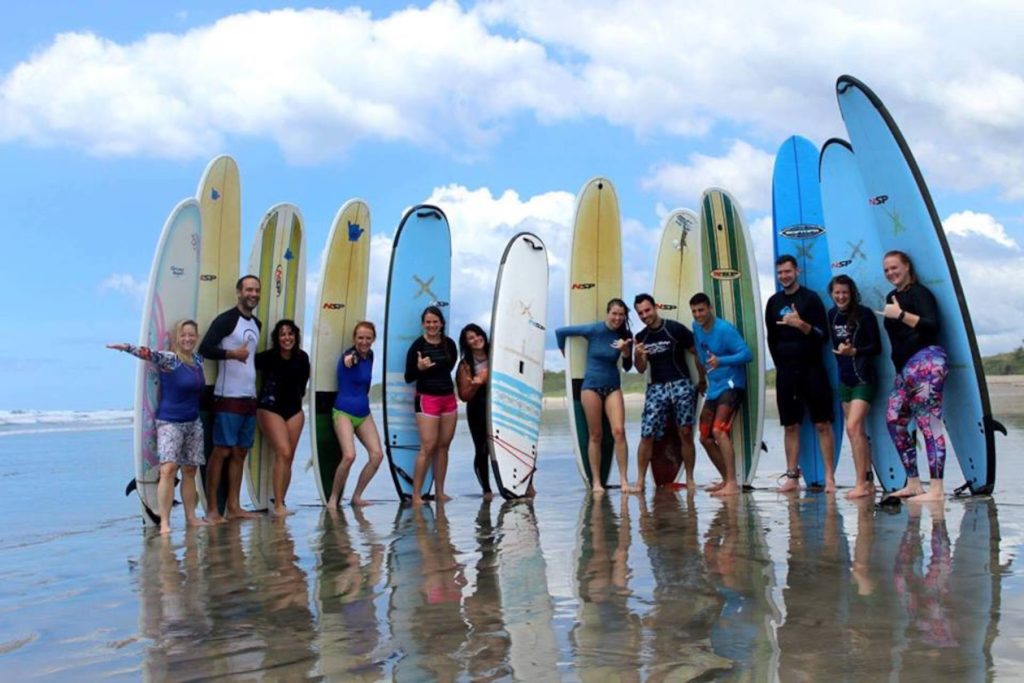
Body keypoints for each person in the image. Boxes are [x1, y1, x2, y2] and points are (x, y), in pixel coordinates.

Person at [109, 319, 208, 534]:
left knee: (190, 470)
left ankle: (191, 517)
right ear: (176, 338)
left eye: (191, 335)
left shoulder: (199, 361)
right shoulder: (170, 360)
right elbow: (147, 353)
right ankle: (165, 522)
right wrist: (126, 348)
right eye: (183, 335)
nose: (188, 339)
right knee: (168, 470)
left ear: (196, 337)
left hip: (193, 422)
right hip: (170, 422)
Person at [879, 250, 947, 502]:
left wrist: (902, 315)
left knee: (928, 423)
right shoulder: (891, 297)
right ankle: (914, 483)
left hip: (927, 360)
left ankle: (937, 489)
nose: (890, 273)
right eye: (886, 269)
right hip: (904, 368)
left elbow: (932, 325)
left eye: (894, 267)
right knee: (894, 419)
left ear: (907, 266)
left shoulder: (921, 292)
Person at [765, 255, 836, 493]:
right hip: (787, 372)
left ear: (797, 271)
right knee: (791, 426)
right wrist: (782, 366)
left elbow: (822, 336)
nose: (784, 276)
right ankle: (792, 477)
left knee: (822, 424)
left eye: (788, 271)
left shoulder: (811, 299)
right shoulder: (773, 302)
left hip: (812, 369)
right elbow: (771, 340)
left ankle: (829, 477)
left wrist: (800, 324)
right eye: (780, 273)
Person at [198, 275, 262, 523]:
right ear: (239, 292)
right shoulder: (226, 320)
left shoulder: (256, 323)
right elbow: (205, 349)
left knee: (240, 452)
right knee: (221, 451)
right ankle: (213, 509)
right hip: (227, 397)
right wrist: (231, 354)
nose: (253, 294)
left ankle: (234, 506)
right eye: (248, 289)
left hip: (249, 398)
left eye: (256, 290)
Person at [555, 298, 634, 493]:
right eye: (614, 313)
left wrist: (625, 352)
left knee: (619, 432)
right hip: (590, 387)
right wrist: (564, 352)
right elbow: (560, 332)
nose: (617, 318)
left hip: (612, 387)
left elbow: (627, 366)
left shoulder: (625, 334)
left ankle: (624, 481)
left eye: (621, 315)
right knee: (596, 435)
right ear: (608, 313)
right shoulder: (594, 330)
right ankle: (597, 483)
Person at [632, 293, 706, 490]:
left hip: (681, 383)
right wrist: (639, 356)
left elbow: (697, 352)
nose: (645, 315)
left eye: (647, 310)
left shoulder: (674, 329)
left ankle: (690, 478)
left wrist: (702, 380)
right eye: (640, 313)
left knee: (685, 432)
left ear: (655, 307)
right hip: (656, 387)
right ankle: (640, 481)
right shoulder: (641, 337)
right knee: (647, 434)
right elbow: (640, 368)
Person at [689, 293, 752, 497]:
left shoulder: (724, 329)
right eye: (695, 311)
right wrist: (703, 378)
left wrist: (721, 361)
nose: (698, 314)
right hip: (715, 386)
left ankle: (732, 483)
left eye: (701, 310)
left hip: (733, 383)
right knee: (704, 437)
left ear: (710, 308)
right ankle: (726, 479)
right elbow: (700, 353)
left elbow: (746, 354)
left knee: (718, 430)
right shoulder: (696, 327)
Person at [827, 275, 882, 500]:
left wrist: (855, 351)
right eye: (837, 292)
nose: (841, 296)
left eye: (845, 293)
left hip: (864, 379)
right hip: (845, 380)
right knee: (856, 433)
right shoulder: (831, 316)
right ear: (832, 293)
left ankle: (860, 483)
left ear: (852, 293)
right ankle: (868, 482)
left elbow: (876, 347)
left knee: (852, 427)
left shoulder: (864, 314)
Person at [254, 319, 310, 516]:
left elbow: (302, 387)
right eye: (283, 334)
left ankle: (280, 502)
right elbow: (244, 368)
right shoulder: (267, 358)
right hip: (269, 408)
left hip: (294, 410)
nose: (287, 338)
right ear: (277, 339)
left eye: (290, 334)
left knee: (289, 458)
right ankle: (278, 505)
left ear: (296, 336)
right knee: (284, 453)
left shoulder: (303, 358)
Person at [327, 321, 385, 507]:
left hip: (363, 413)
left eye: (368, 338)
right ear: (354, 338)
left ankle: (356, 497)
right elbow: (349, 360)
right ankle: (333, 499)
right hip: (343, 412)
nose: (364, 341)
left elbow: (365, 385)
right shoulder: (350, 355)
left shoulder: (371, 356)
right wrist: (350, 359)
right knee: (349, 456)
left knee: (377, 456)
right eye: (360, 337)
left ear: (373, 339)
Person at [406, 306, 459, 506]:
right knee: (427, 448)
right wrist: (419, 368)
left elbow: (450, 367)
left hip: (448, 398)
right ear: (423, 324)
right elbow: (408, 376)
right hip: (426, 398)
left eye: (435, 322)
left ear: (441, 323)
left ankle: (440, 492)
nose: (432, 325)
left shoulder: (450, 344)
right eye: (428, 322)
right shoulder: (417, 346)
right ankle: (416, 495)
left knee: (443, 446)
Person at [456, 324, 495, 500]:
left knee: (505, 445)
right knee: (482, 449)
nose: (476, 339)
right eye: (471, 338)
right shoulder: (465, 365)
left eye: (478, 335)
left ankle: (521, 484)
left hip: (499, 405)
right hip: (477, 407)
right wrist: (476, 385)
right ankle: (486, 489)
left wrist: (486, 375)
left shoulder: (496, 352)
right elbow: (464, 396)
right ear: (466, 343)